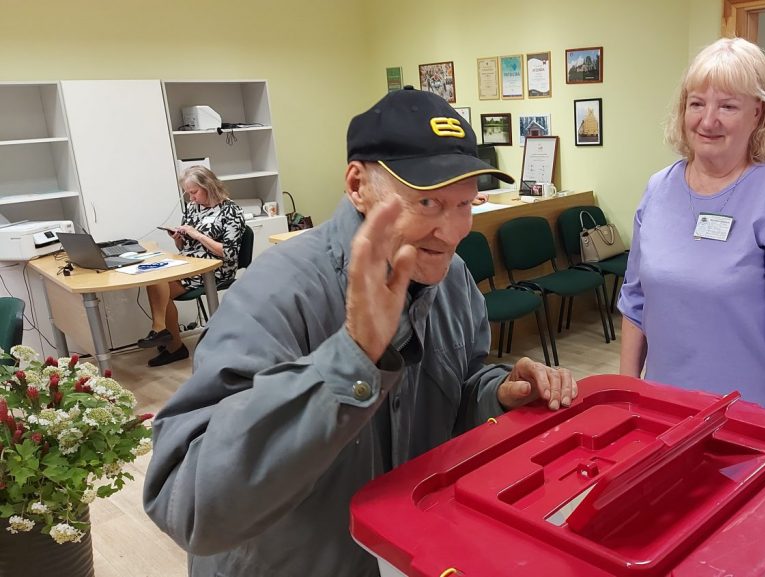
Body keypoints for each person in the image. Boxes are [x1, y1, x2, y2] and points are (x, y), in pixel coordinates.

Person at [143, 87, 578, 577]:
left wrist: (496, 393)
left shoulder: (452, 278)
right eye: (427, 201)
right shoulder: (276, 293)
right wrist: (352, 358)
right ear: (357, 185)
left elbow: (455, 390)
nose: (453, 231)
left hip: (404, 553)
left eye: (464, 203)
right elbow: (189, 505)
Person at [618, 38, 765, 418]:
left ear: (758, 113)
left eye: (727, 106)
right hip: (658, 414)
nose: (708, 120)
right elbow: (634, 303)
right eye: (697, 103)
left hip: (745, 421)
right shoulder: (658, 190)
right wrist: (628, 398)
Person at [137, 166, 245, 367]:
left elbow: (229, 253)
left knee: (161, 283)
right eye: (188, 193)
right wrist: (179, 239)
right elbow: (185, 246)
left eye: (194, 192)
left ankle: (167, 339)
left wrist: (197, 235)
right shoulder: (193, 208)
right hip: (190, 263)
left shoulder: (231, 211)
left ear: (209, 186)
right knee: (155, 278)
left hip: (215, 267)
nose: (191, 198)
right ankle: (166, 336)